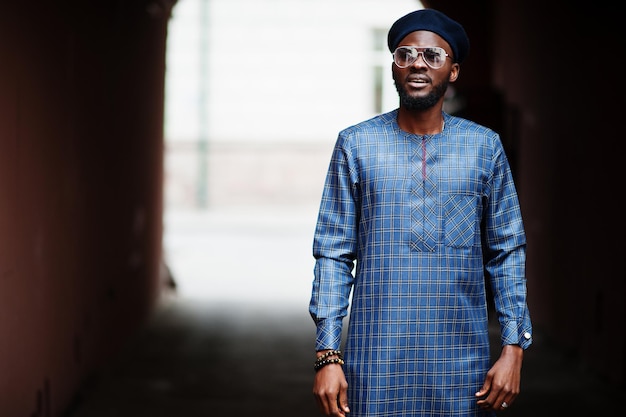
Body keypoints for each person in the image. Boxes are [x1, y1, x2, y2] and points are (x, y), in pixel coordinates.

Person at [309, 8, 532, 417]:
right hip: (373, 363)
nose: (417, 64)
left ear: (454, 71)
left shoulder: (484, 148)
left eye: (432, 56)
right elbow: (333, 253)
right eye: (405, 54)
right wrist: (328, 354)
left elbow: (507, 250)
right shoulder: (356, 145)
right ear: (393, 67)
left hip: (460, 366)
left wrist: (514, 347)